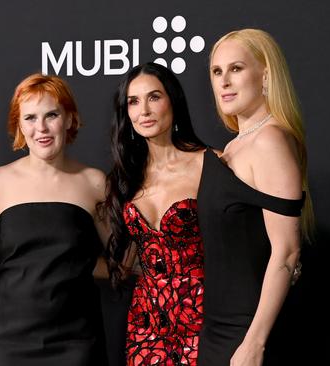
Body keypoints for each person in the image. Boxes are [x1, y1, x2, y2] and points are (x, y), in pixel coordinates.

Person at [197, 28, 314, 366]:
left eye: (236, 69)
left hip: (247, 333)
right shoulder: (236, 144)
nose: (224, 82)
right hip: (220, 329)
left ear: (265, 75)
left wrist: (255, 344)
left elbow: (288, 251)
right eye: (217, 72)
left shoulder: (270, 140)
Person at [0, 73, 108, 365]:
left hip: (75, 343)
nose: (41, 128)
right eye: (29, 118)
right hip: (10, 342)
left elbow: (122, 261)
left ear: (68, 118)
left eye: (51, 114)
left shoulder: (94, 182)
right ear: (19, 125)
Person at [103, 62, 206, 365]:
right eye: (133, 101)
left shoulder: (209, 164)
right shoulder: (126, 178)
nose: (143, 110)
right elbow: (126, 261)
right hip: (146, 323)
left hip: (202, 316)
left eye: (154, 97)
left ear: (173, 101)